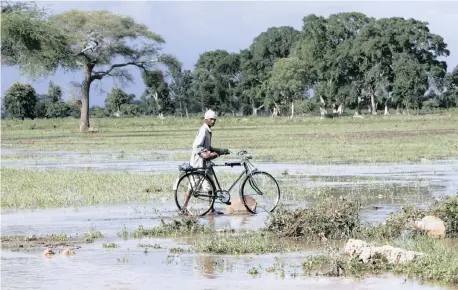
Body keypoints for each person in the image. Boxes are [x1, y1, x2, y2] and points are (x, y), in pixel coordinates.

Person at [181, 109, 230, 215]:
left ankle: (211, 209)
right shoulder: (204, 130)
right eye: (211, 119)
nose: (213, 121)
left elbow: (208, 147)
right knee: (193, 186)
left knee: (210, 186)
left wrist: (221, 151)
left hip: (205, 165)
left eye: (214, 119)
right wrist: (206, 154)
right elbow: (197, 146)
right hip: (198, 163)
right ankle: (184, 208)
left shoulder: (208, 130)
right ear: (206, 120)